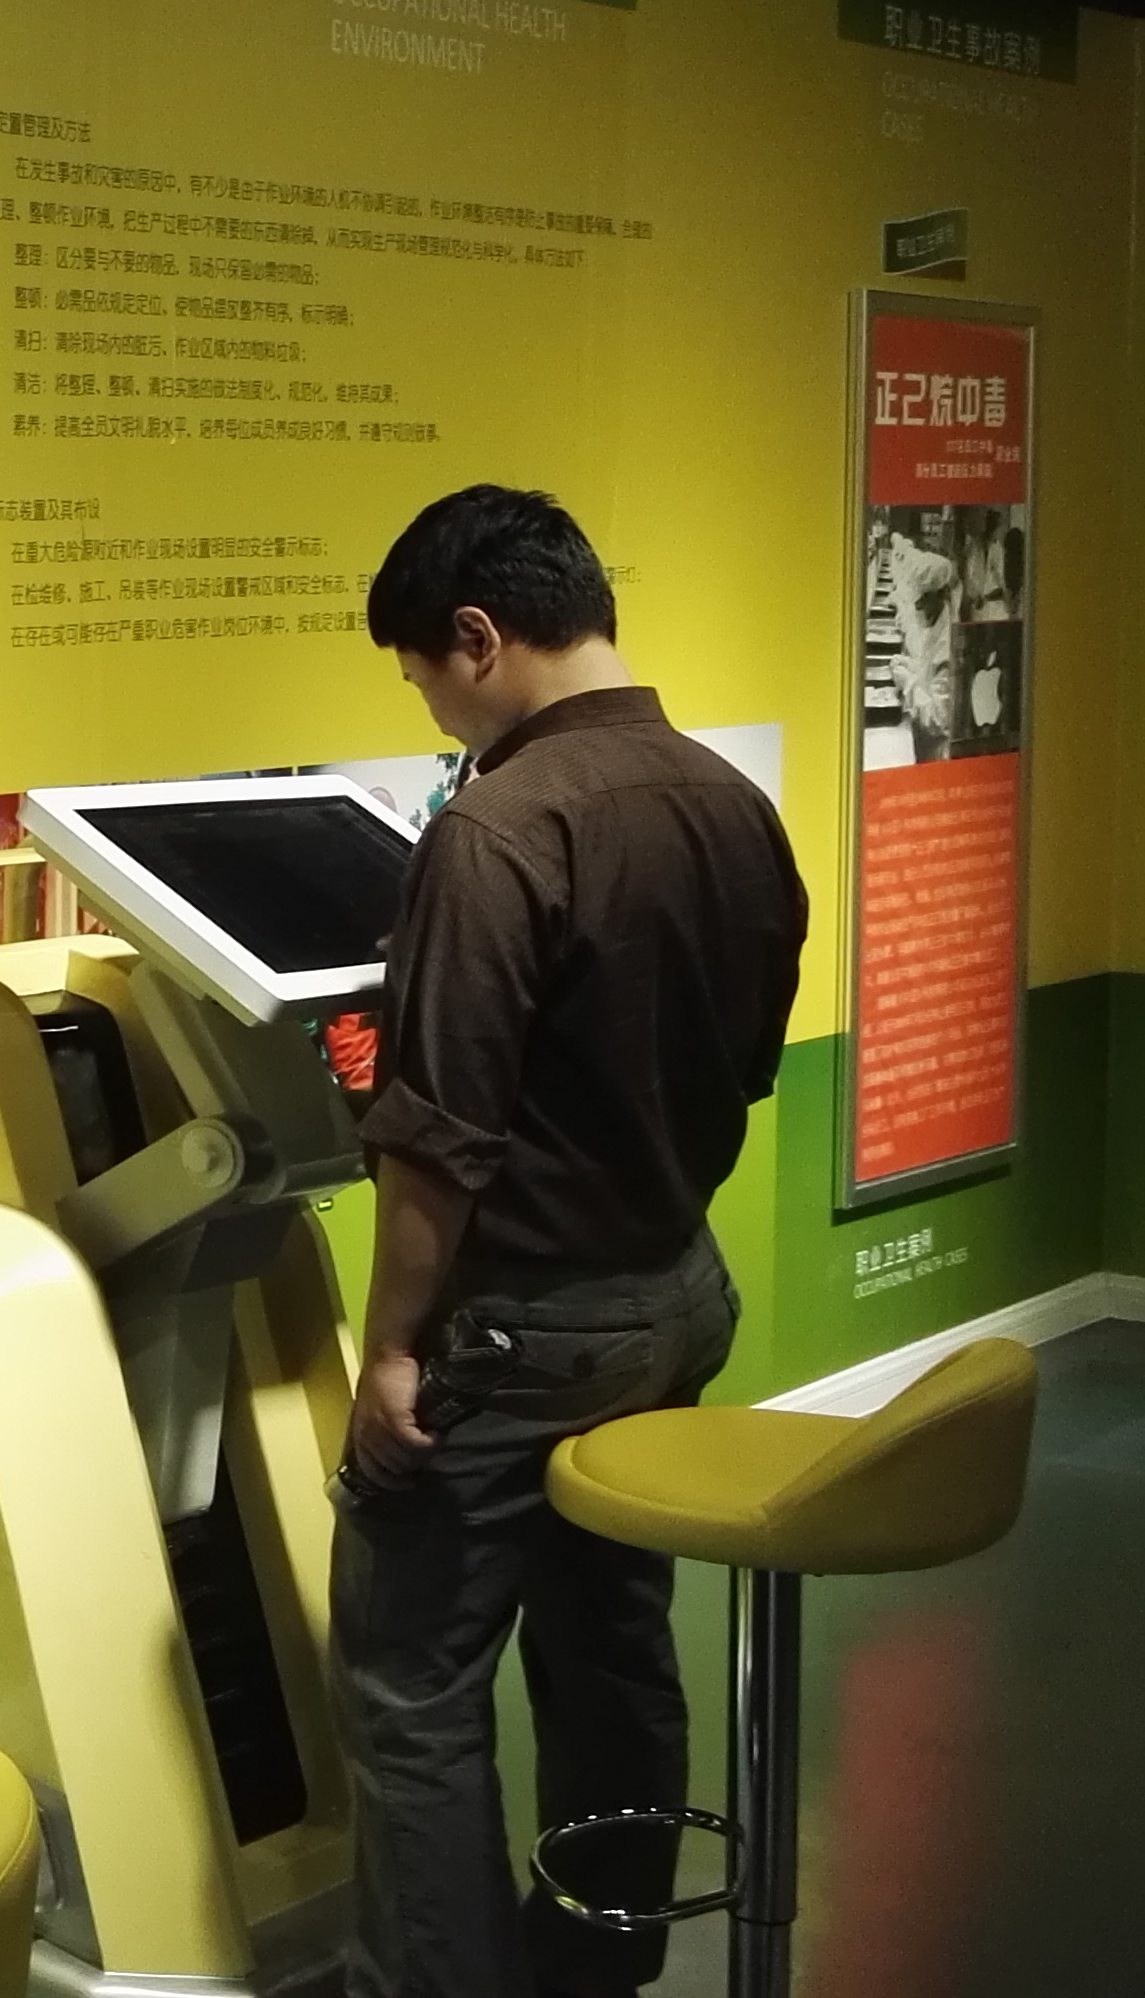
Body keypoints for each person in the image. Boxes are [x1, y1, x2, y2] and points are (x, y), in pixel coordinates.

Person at [334, 485, 807, 1998]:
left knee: (410, 1683)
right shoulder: (729, 803)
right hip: (676, 1293)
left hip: (516, 1329)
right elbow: (745, 1063)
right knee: (610, 1646)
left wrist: (391, 1350)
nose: (433, 710)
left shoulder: (497, 829)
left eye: (424, 675)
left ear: (479, 637)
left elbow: (438, 1140)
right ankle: (601, 1966)